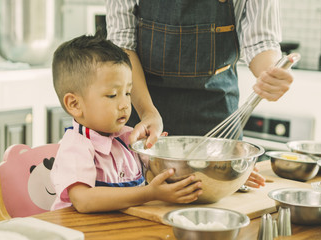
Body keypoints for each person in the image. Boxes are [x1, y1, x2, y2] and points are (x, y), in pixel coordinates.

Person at [106, 0, 294, 188]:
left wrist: (271, 74)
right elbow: (122, 46)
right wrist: (147, 112)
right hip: (144, 112)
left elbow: (260, 42)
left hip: (216, 109)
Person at [50, 33, 203, 213]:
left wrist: (158, 155)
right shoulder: (76, 146)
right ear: (74, 104)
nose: (124, 104)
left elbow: (153, 176)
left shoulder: (128, 138)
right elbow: (84, 201)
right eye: (112, 95)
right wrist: (149, 193)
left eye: (128, 93)